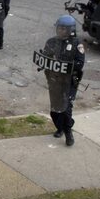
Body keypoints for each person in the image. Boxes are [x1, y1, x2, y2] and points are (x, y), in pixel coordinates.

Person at [38, 15, 85, 146]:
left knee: (66, 108)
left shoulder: (77, 43)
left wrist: (64, 65)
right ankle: (60, 128)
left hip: (69, 82)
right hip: (54, 81)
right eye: (59, 28)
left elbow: (80, 63)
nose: (61, 31)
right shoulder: (51, 41)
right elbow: (45, 56)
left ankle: (68, 132)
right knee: (55, 110)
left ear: (70, 29)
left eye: (64, 29)